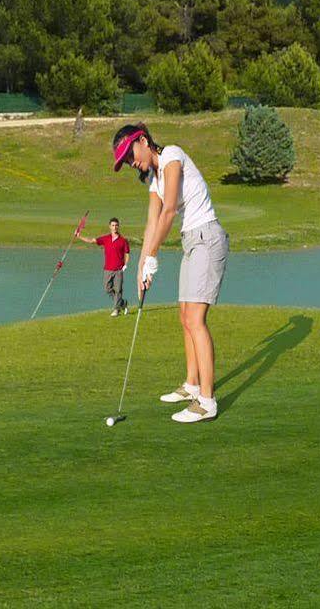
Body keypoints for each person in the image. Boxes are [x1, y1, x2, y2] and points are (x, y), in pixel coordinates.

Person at [113, 123, 228, 424]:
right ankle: (192, 385)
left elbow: (169, 212)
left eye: (130, 153)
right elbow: (152, 223)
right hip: (191, 241)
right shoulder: (154, 180)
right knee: (183, 315)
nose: (130, 162)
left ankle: (207, 401)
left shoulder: (172, 156)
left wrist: (153, 255)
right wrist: (141, 267)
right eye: (124, 160)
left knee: (195, 318)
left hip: (207, 237)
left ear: (143, 140)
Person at [89, 217, 131, 315]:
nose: (115, 227)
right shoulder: (106, 239)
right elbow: (92, 240)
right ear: (110, 227)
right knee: (107, 288)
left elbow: (127, 254)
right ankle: (122, 303)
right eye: (113, 225)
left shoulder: (123, 241)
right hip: (107, 269)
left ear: (118, 226)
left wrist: (125, 265)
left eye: (116, 225)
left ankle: (116, 310)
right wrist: (79, 236)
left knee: (118, 290)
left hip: (118, 270)